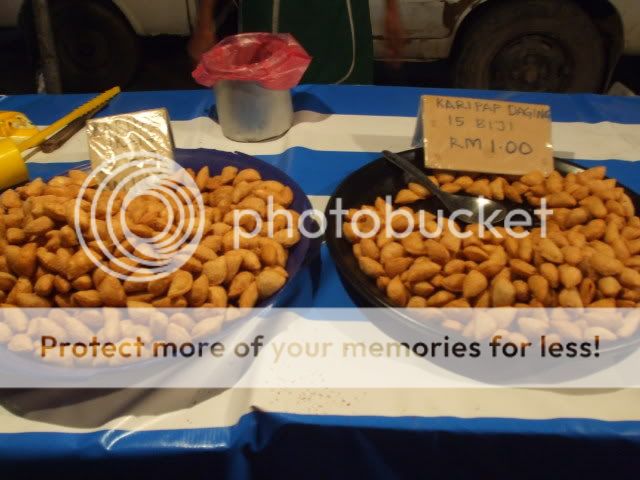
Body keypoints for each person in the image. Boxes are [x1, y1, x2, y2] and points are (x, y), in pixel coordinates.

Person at [188, 0, 404, 84]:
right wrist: (204, 24)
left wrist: (392, 10)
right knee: (263, 113)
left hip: (340, 23)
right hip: (266, 14)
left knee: (348, 112)